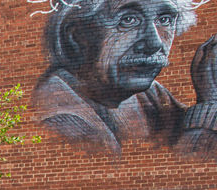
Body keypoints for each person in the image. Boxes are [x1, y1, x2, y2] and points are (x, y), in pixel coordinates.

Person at [31, 0, 217, 157]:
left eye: (164, 19)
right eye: (129, 20)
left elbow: (182, 133)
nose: (154, 43)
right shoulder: (63, 118)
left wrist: (207, 102)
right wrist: (208, 107)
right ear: (76, 36)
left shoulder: (149, 94)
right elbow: (179, 172)